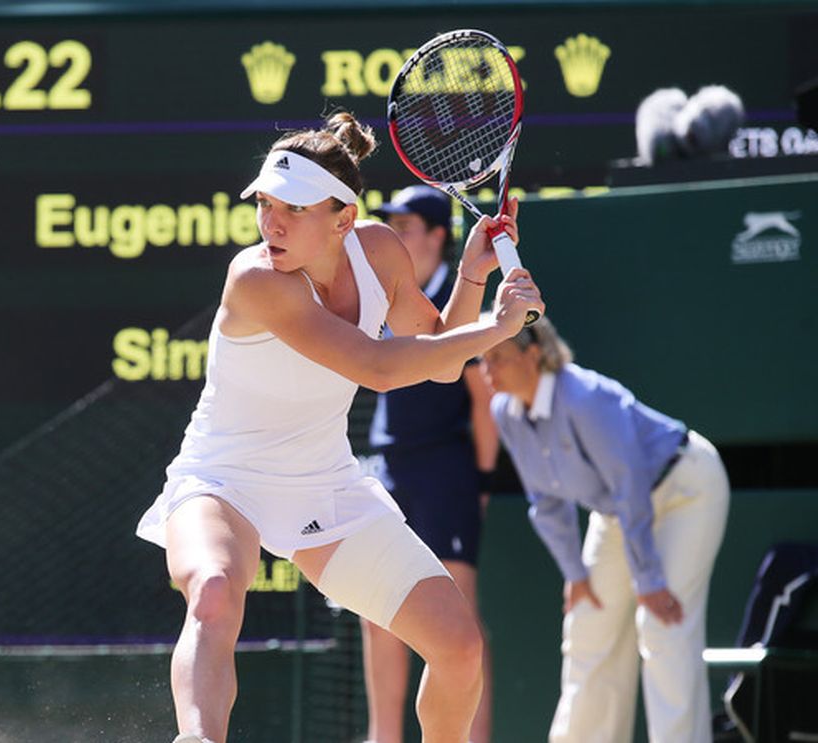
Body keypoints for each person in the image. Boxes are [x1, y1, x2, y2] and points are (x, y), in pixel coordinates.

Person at [134, 111, 544, 743]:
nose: (271, 222)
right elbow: (379, 368)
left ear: (344, 219)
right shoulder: (256, 278)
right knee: (214, 592)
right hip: (221, 481)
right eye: (265, 204)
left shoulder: (381, 251)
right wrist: (498, 328)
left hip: (323, 485)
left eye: (292, 209)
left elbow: (438, 355)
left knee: (459, 648)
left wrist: (472, 276)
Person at [480, 317, 729, 743]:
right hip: (618, 512)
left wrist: (647, 577)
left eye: (497, 358)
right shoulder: (504, 411)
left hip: (685, 490)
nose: (487, 372)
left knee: (662, 626)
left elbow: (628, 482)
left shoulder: (584, 397)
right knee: (587, 623)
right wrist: (575, 573)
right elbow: (546, 501)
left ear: (533, 354)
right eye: (483, 360)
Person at [356, 185, 498, 743]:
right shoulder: (394, 294)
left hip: (447, 473)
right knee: (377, 614)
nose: (396, 237)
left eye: (407, 226)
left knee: (458, 622)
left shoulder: (456, 302)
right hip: (388, 469)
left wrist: (482, 482)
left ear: (440, 236)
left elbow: (484, 400)